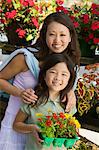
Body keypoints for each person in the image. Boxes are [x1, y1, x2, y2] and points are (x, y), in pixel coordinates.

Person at [0, 11, 80, 150]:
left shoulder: (70, 64)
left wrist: (70, 91)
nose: (57, 40)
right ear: (44, 35)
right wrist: (20, 93)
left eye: (62, 35)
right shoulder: (26, 58)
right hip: (17, 126)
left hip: (44, 135)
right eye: (51, 34)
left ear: (70, 37)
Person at [13, 53, 76, 150]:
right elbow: (16, 125)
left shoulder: (68, 103)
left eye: (64, 74)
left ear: (69, 79)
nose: (58, 78)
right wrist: (32, 128)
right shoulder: (33, 99)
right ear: (44, 75)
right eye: (53, 72)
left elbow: (71, 127)